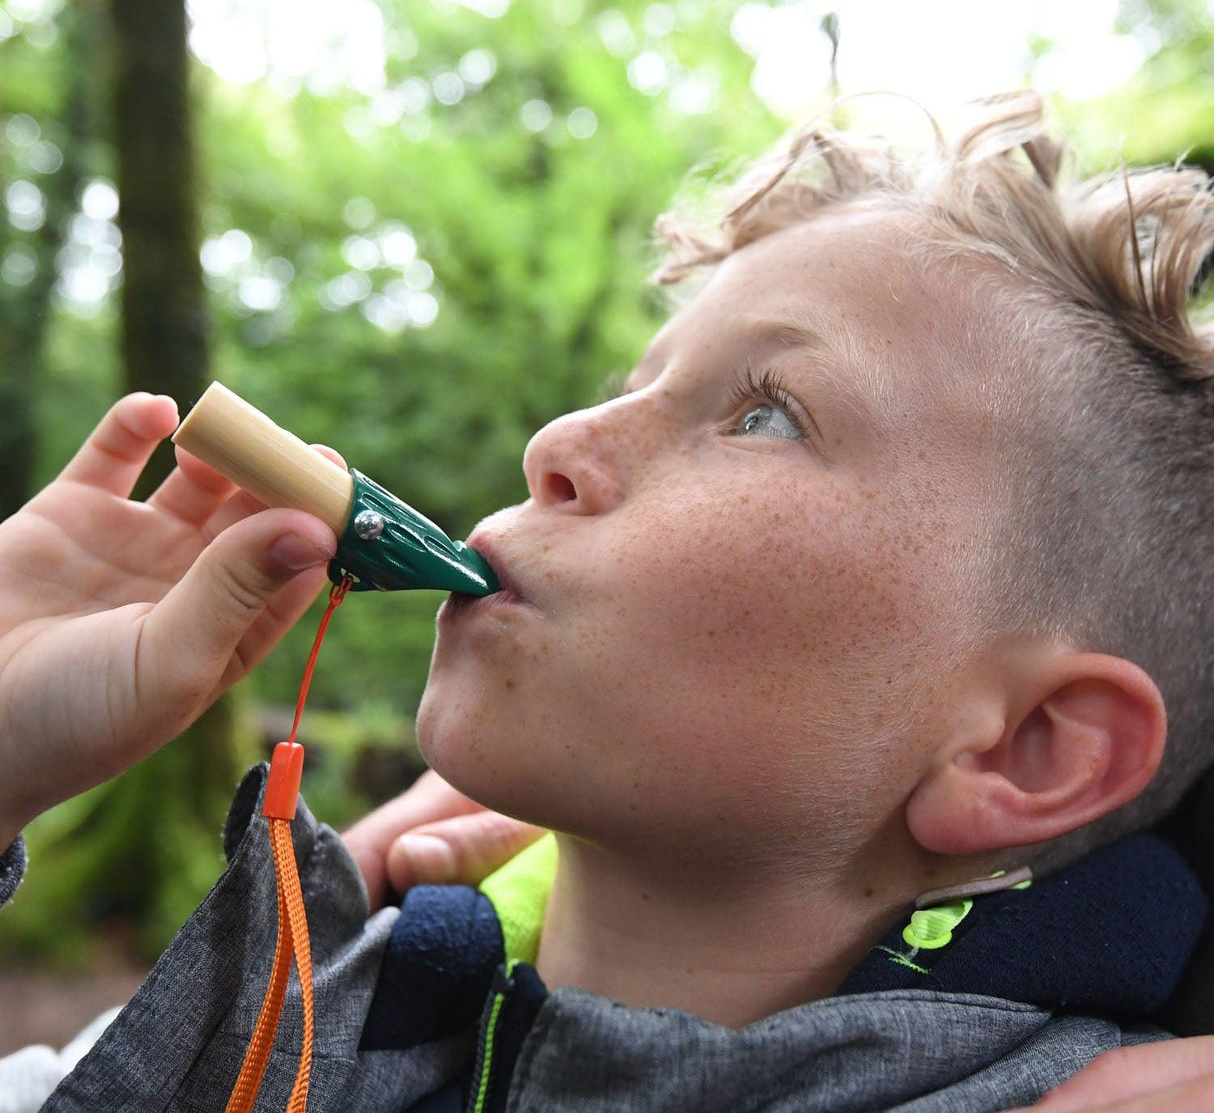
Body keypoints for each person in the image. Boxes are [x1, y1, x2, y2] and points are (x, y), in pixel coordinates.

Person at [3, 89, 1214, 1111]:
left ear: (1026, 746)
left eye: (763, 414)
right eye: (624, 384)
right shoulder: (282, 1029)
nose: (558, 440)